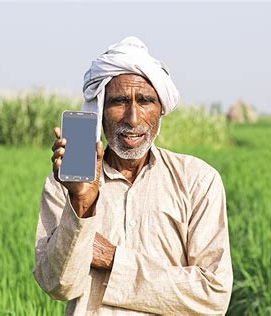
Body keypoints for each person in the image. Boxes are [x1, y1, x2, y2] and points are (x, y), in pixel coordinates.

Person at [33, 37, 233, 315]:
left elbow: (213, 295)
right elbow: (59, 286)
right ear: (99, 110)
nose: (133, 118)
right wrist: (80, 204)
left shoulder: (198, 180)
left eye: (145, 101)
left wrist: (114, 259)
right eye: (119, 102)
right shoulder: (63, 186)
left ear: (160, 109)